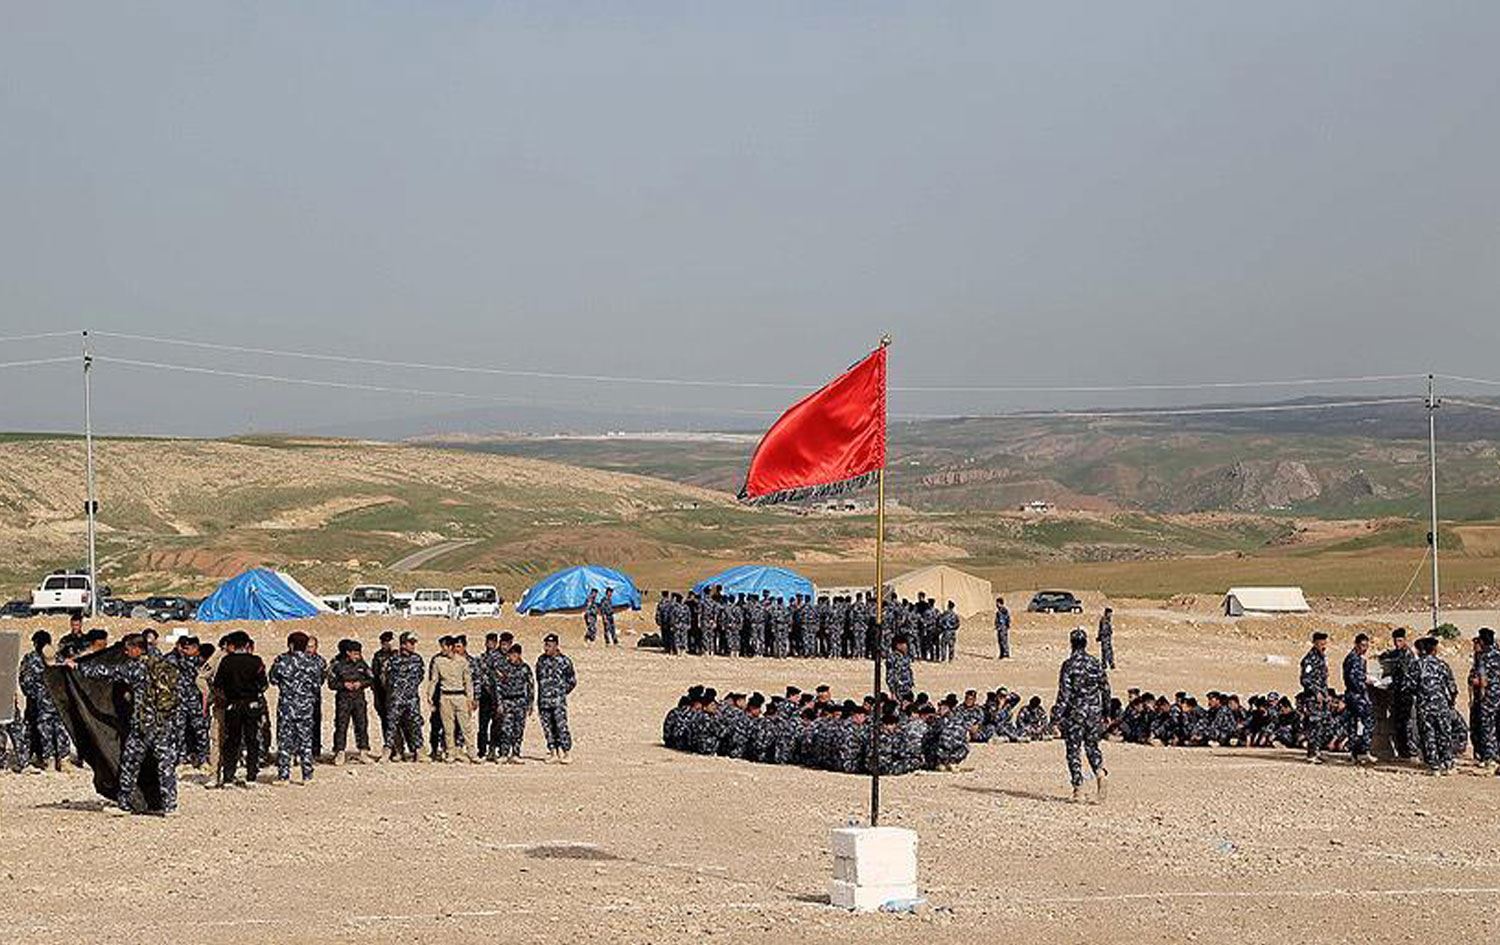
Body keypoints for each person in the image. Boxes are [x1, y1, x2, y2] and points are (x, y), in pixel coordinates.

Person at [64, 633, 180, 815]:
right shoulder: (163, 665)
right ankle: (170, 806)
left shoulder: (135, 668)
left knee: (130, 763)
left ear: (137, 649)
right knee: (165, 764)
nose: (125, 653)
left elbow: (106, 672)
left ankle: (125, 804)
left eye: (128, 649)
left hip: (142, 725)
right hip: (163, 724)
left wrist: (77, 666)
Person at [1055, 628, 1110, 803]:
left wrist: (1056, 716)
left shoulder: (1069, 665)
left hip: (1076, 713)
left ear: (1071, 643)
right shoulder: (1095, 663)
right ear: (1085, 643)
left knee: (1073, 751)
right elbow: (1106, 689)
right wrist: (1106, 712)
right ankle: (1100, 773)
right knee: (1092, 747)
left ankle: (1078, 789)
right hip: (1094, 713)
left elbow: (1064, 694)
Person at [213, 631, 268, 787]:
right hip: (252, 706)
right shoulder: (256, 661)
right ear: (246, 645)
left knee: (232, 741)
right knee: (252, 740)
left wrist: (225, 698)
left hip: (232, 706)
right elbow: (263, 684)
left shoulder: (226, 662)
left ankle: (229, 777)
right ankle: (251, 776)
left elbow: (218, 685)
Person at [269, 632, 323, 784]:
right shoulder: (314, 663)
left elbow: (272, 679)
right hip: (306, 708)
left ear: (291, 645)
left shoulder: (283, 662)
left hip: (287, 708)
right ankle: (307, 776)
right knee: (306, 741)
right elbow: (317, 685)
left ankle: (284, 776)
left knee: (285, 742)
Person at [19, 630, 70, 771]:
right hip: (57, 702)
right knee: (59, 730)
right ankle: (62, 759)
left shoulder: (30, 658)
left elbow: (24, 680)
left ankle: (50, 760)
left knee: (46, 731)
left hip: (42, 703)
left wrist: (33, 695)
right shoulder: (57, 657)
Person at [428, 634, 478, 763]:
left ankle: (472, 753)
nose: (442, 649)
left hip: (460, 696)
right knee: (448, 728)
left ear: (450, 647)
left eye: (444, 646)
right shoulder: (438, 661)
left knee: (466, 727)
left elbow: (468, 682)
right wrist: (429, 696)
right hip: (445, 697)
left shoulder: (462, 661)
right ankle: (451, 752)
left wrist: (470, 699)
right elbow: (434, 680)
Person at [163, 633, 209, 769]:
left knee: (201, 729)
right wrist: (179, 653)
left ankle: (203, 758)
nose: (188, 650)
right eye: (185, 647)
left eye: (191, 647)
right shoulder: (171, 659)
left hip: (195, 701)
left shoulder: (199, 661)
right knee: (179, 730)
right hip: (178, 701)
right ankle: (181, 758)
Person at [1413, 635, 1458, 775]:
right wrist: (1450, 703)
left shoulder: (1417, 665)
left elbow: (1409, 686)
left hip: (1424, 706)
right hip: (1441, 705)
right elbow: (1452, 688)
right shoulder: (1442, 665)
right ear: (1433, 650)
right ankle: (1448, 764)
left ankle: (1434, 767)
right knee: (1444, 734)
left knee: (1429, 735)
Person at [328, 639, 375, 764]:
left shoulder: (361, 663)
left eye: (359, 653)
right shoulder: (336, 664)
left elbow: (371, 678)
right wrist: (344, 685)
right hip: (343, 699)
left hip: (359, 699)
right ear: (348, 652)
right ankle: (339, 752)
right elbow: (331, 683)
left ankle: (363, 752)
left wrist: (361, 683)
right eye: (355, 653)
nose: (358, 656)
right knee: (341, 726)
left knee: (362, 725)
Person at [383, 633, 427, 762]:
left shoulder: (417, 659)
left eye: (414, 643)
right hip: (396, 699)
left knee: (415, 724)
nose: (413, 646)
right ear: (403, 644)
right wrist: (396, 691)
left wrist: (409, 689)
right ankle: (388, 751)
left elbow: (420, 676)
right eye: (410, 643)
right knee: (392, 725)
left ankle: (419, 751)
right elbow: (385, 679)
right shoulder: (392, 659)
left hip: (412, 699)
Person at [535, 633, 578, 764]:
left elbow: (572, 681)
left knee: (561, 726)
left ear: (556, 646)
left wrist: (561, 692)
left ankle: (566, 752)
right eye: (545, 645)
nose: (546, 648)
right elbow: (539, 678)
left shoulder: (564, 661)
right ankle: (553, 752)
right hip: (543, 701)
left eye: (549, 645)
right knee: (547, 727)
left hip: (558, 701)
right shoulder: (541, 660)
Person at [1379, 628, 1419, 758]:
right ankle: (1402, 751)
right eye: (1395, 641)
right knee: (1399, 723)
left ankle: (1410, 751)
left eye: (1400, 641)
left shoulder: (1408, 655)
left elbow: (1406, 677)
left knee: (1407, 723)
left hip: (1405, 693)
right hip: (1398, 693)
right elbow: (1387, 657)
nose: (1397, 643)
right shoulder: (1397, 653)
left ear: (1405, 640)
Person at [495, 644, 534, 763]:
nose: (511, 657)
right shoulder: (504, 667)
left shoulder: (525, 668)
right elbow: (498, 687)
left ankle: (516, 753)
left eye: (514, 654)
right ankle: (504, 753)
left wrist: (530, 703)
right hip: (507, 701)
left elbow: (531, 686)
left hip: (520, 702)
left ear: (519, 655)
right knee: (506, 729)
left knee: (518, 729)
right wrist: (500, 703)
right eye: (510, 654)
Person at [1342, 634, 1375, 765]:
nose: (1365, 649)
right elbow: (1353, 679)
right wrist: (1366, 682)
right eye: (1362, 646)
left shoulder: (1354, 658)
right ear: (1356, 644)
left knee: (1353, 724)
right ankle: (1363, 750)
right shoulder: (1355, 659)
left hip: (1352, 695)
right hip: (1357, 696)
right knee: (1368, 720)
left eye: (1367, 646)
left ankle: (1354, 753)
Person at [1469, 628, 1500, 771]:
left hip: (1489, 697)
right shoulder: (1498, 654)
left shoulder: (1484, 657)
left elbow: (1482, 681)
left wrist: (1480, 694)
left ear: (1482, 640)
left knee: (1487, 727)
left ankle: (1490, 758)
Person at [1299, 632, 1331, 764]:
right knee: (1314, 724)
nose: (1324, 646)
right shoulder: (1309, 659)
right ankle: (1311, 754)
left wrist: (1325, 694)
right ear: (1314, 643)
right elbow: (1305, 679)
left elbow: (1322, 679)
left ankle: (1317, 750)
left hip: (1321, 698)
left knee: (1321, 724)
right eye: (1321, 644)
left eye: (1325, 643)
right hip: (1313, 699)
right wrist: (1316, 692)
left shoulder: (1321, 658)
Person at [370, 631, 398, 753]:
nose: (386, 644)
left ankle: (399, 749)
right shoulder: (378, 656)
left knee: (398, 722)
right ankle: (389, 747)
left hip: (396, 694)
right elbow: (374, 676)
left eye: (388, 642)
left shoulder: (397, 656)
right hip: (382, 694)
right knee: (385, 721)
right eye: (384, 642)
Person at [476, 633, 501, 759]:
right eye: (489, 641)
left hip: (496, 695)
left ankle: (493, 749)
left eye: (493, 642)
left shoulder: (501, 659)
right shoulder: (481, 658)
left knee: (496, 725)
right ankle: (481, 750)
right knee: (483, 725)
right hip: (484, 695)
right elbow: (477, 678)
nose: (491, 644)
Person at [885, 635, 914, 702]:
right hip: (899, 689)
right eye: (904, 644)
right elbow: (890, 675)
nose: (906, 647)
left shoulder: (905, 657)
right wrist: (893, 691)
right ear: (898, 645)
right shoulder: (893, 658)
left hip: (907, 688)